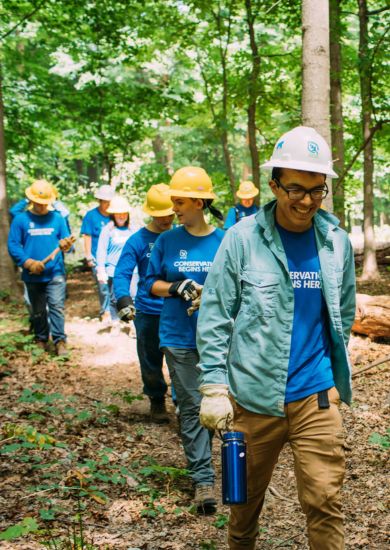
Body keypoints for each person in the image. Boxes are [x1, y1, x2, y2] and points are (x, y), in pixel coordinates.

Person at [197, 126, 356, 549]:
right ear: (274, 185)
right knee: (243, 503)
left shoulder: (337, 243)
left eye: (317, 191)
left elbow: (343, 310)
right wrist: (214, 385)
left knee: (325, 500)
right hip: (252, 398)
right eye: (296, 190)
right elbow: (215, 315)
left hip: (316, 396)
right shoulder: (241, 239)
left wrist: (332, 375)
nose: (307, 201)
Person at [145, 166, 224, 514]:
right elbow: (150, 283)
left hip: (219, 338)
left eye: (179, 202)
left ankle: (221, 465)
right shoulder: (167, 241)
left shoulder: (224, 241)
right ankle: (203, 480)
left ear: (198, 202)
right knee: (192, 405)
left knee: (218, 405)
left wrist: (211, 293)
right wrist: (177, 287)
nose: (174, 208)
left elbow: (237, 286)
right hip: (177, 336)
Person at [113, 184, 175, 423]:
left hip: (177, 310)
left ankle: (183, 404)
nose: (166, 218)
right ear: (150, 212)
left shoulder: (180, 236)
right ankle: (157, 400)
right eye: (160, 214)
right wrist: (123, 298)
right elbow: (122, 273)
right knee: (150, 359)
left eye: (169, 213)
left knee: (180, 360)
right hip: (148, 311)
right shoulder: (137, 240)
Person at [7, 180, 74, 356]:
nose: (41, 206)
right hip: (32, 275)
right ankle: (41, 339)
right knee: (37, 309)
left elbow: (67, 242)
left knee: (56, 306)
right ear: (31, 200)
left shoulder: (58, 219)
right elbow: (13, 245)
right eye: (38, 202)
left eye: (44, 203)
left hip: (55, 272)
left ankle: (60, 341)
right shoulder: (21, 220)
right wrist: (28, 262)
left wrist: (66, 245)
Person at [95, 196, 133, 327]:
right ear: (113, 215)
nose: (122, 216)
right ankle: (115, 323)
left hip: (132, 270)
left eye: (124, 213)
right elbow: (101, 250)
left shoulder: (133, 229)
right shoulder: (108, 230)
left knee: (132, 296)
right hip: (113, 270)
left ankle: (132, 324)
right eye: (119, 213)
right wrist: (101, 270)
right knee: (114, 298)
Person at [80, 184, 115, 321]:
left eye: (109, 201)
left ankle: (117, 311)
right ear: (100, 201)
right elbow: (87, 236)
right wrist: (88, 255)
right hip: (98, 258)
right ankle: (105, 311)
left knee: (116, 287)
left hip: (114, 258)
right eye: (104, 201)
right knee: (103, 287)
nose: (106, 204)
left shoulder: (116, 215)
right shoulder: (91, 216)